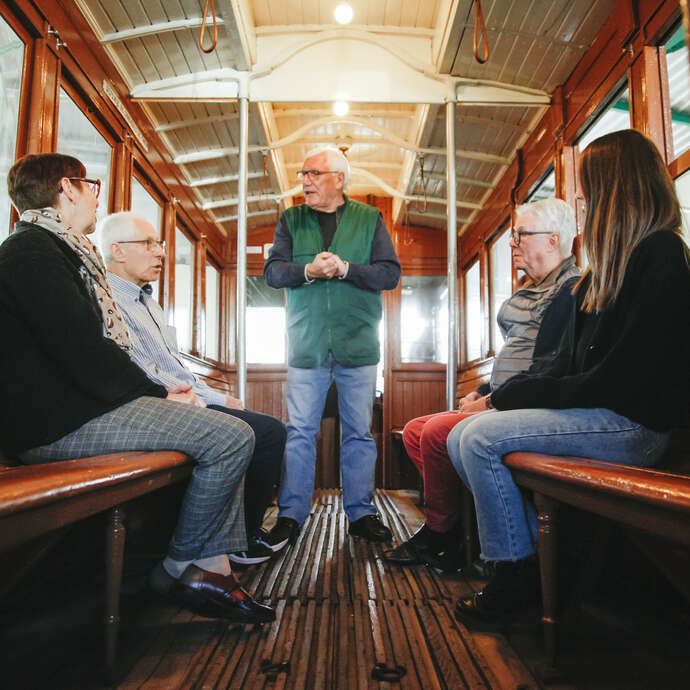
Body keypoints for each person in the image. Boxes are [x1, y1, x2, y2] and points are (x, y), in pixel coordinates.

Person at [0, 153, 275, 624]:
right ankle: (180, 567)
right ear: (68, 188)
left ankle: (212, 567)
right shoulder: (31, 254)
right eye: (92, 188)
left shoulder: (54, 250)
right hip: (54, 425)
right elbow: (81, 349)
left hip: (75, 410)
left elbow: (86, 350)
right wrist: (157, 393)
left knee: (226, 429)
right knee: (230, 435)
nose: (94, 200)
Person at [445, 129, 690, 632]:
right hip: (606, 414)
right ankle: (525, 560)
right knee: (463, 432)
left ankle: (518, 579)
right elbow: (569, 366)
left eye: (585, 193)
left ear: (614, 192)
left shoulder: (662, 255)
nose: (579, 203)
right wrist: (505, 396)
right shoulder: (607, 271)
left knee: (482, 438)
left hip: (634, 425)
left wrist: (513, 397)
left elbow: (618, 379)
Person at [385, 198, 580, 571]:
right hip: (503, 396)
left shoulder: (569, 291)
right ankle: (458, 527)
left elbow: (548, 369)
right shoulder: (530, 289)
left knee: (438, 431)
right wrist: (484, 391)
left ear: (553, 240)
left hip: (529, 405)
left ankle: (442, 531)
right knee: (414, 431)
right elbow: (516, 355)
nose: (514, 242)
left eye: (522, 234)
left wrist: (493, 403)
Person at [98, 211, 288, 566]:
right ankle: (237, 541)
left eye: (161, 244)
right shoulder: (110, 301)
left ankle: (240, 535)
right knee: (267, 432)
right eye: (149, 244)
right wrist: (210, 398)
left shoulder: (147, 302)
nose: (160, 253)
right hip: (154, 406)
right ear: (117, 251)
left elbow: (175, 367)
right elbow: (147, 374)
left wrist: (217, 396)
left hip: (182, 398)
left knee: (263, 428)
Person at [263, 146, 401, 545]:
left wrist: (346, 269)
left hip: (357, 345)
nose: (304, 180)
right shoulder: (291, 219)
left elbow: (389, 274)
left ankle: (360, 515)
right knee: (300, 432)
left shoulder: (370, 219)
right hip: (306, 346)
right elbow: (272, 273)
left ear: (339, 179)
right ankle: (290, 515)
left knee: (358, 433)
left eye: (313, 173)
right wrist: (307, 270)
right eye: (302, 173)